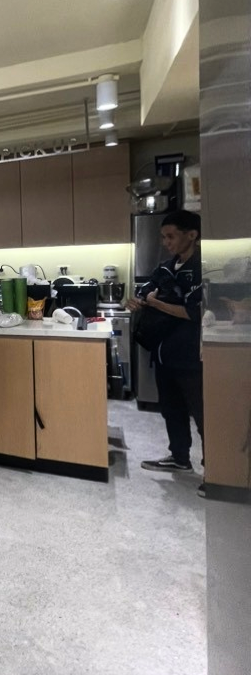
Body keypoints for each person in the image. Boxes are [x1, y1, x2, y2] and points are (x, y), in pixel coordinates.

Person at [126, 209, 204, 492]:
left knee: (203, 414)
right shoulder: (166, 267)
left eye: (170, 236)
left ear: (191, 235)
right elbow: (145, 290)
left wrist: (157, 303)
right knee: (172, 410)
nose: (166, 242)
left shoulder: (202, 268)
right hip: (164, 353)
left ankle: (218, 473)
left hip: (191, 356)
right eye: (162, 237)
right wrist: (136, 301)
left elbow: (193, 312)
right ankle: (179, 458)